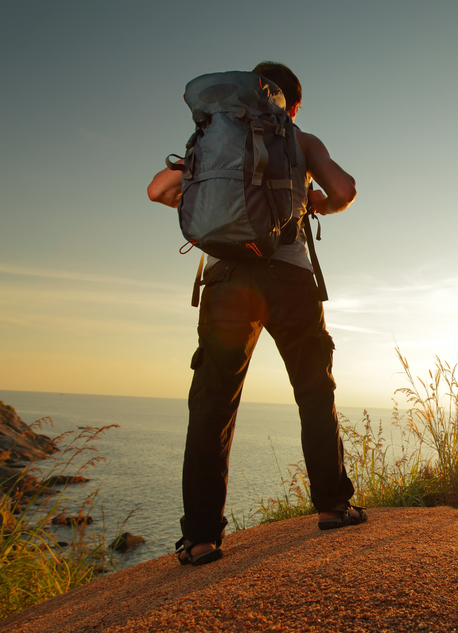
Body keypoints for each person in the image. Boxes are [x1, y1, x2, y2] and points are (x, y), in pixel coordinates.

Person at [147, 61, 364, 566]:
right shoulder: (300, 138)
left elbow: (159, 190)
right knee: (313, 391)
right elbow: (346, 191)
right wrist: (310, 204)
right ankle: (333, 506)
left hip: (226, 282)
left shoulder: (212, 136)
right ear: (292, 102)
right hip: (288, 279)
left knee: (212, 404)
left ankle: (200, 538)